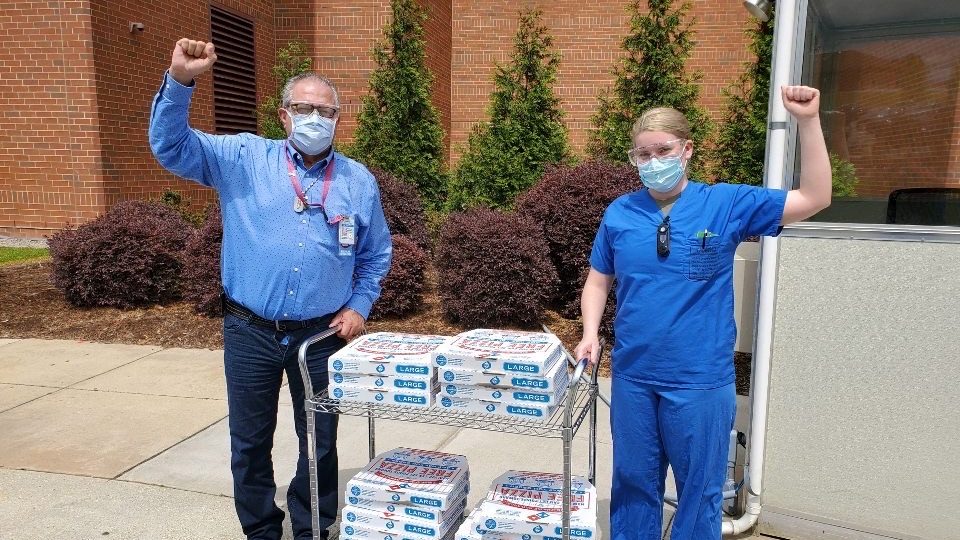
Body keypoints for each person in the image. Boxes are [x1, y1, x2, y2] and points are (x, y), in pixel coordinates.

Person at [149, 39, 392, 540]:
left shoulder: (357, 181)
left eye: (327, 111)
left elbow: (375, 254)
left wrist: (360, 304)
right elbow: (170, 147)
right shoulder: (242, 158)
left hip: (322, 337)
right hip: (250, 331)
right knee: (250, 440)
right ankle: (261, 529)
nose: (316, 118)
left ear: (338, 119)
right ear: (284, 115)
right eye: (304, 108)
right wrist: (180, 81)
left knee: (320, 441)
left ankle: (311, 528)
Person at [574, 85, 831, 540]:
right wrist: (589, 332)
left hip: (700, 380)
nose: (654, 162)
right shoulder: (620, 212)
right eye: (643, 154)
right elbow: (598, 280)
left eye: (663, 150)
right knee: (633, 485)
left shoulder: (726, 203)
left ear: (686, 149)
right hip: (634, 376)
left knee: (699, 491)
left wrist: (807, 122)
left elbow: (814, 197)